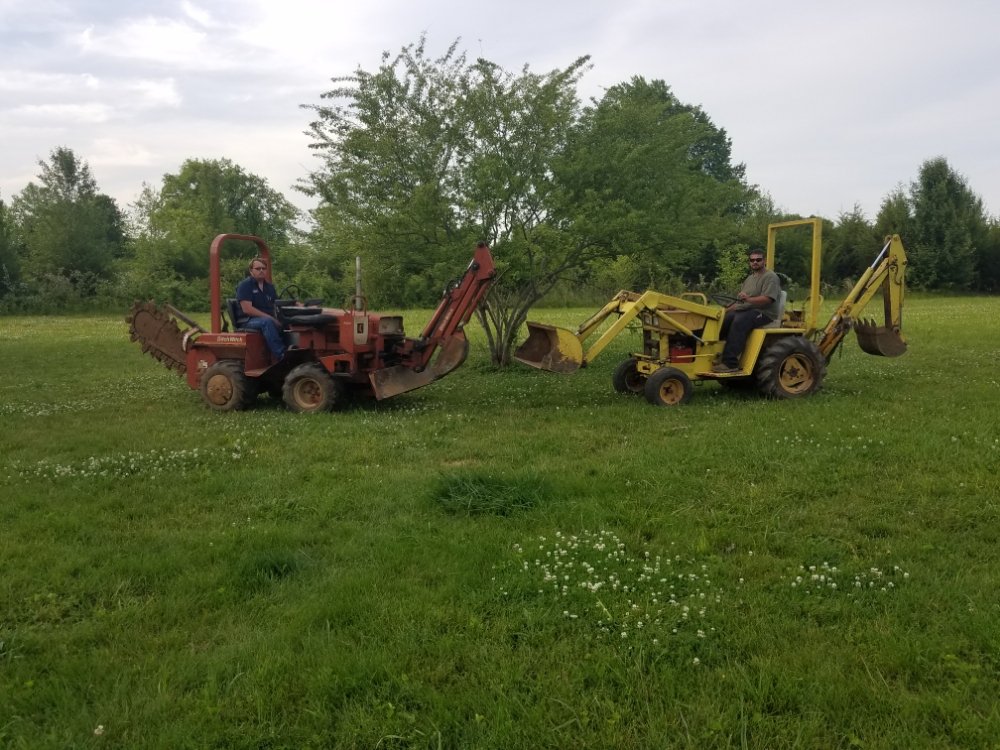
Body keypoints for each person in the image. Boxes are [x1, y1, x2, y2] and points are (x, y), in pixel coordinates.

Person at [713, 249, 781, 373]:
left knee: (740, 320)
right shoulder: (750, 278)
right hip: (749, 310)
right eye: (752, 260)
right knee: (724, 318)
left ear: (764, 261)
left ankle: (730, 363)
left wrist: (748, 299)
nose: (755, 262)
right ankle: (716, 354)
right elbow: (742, 302)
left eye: (758, 260)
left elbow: (767, 300)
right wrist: (727, 309)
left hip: (764, 313)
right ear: (749, 262)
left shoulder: (770, 277)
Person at [235, 257, 286, 360]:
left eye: (263, 268)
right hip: (248, 320)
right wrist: (271, 318)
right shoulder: (245, 285)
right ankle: (282, 355)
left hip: (265, 318)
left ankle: (293, 349)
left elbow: (277, 304)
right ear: (251, 271)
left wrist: (297, 305)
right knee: (267, 322)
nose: (261, 271)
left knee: (288, 320)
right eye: (258, 269)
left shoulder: (269, 287)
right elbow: (247, 309)